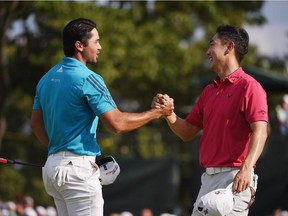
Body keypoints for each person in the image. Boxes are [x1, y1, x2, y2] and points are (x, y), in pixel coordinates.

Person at [30, 18, 173, 216]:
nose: (100, 47)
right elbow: (117, 124)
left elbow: (36, 125)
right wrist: (157, 113)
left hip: (52, 169)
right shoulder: (88, 78)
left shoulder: (45, 79)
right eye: (96, 41)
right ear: (79, 45)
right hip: (77, 173)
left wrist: (60, 154)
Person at [153, 24, 268, 216]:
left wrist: (246, 168)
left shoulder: (250, 87)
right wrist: (168, 114)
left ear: (229, 47)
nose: (207, 51)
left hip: (235, 179)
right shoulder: (208, 91)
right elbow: (187, 131)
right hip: (208, 180)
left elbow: (261, 131)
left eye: (212, 44)